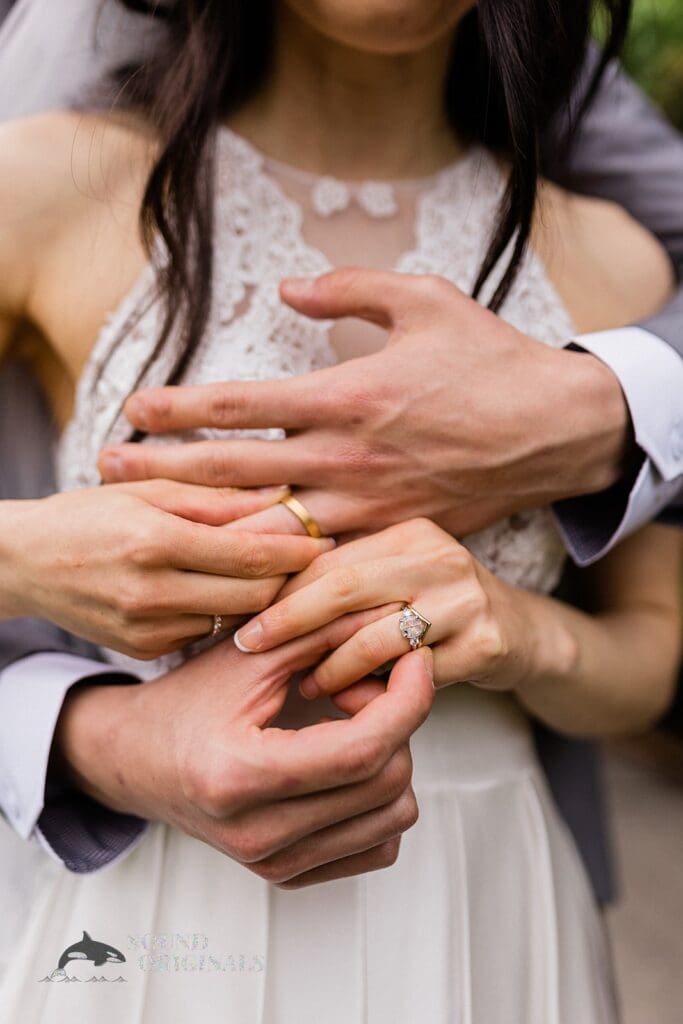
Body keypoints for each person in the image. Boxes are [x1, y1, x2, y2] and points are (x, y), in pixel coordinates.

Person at [0, 1, 681, 1020]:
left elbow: (648, 654)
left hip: (483, 887)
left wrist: (518, 631)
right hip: (152, 904)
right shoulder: (48, 186)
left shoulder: (611, 260)